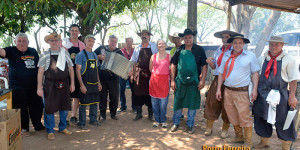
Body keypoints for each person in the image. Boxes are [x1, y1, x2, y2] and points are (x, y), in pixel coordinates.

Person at [252, 36, 300, 150]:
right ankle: (264, 141)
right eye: (271, 44)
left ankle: (286, 146)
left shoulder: (289, 59)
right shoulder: (265, 57)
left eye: (277, 44)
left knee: (282, 119)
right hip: (263, 93)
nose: (273, 47)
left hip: (280, 95)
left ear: (282, 45)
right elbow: (258, 75)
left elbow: (293, 79)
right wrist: (255, 90)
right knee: (261, 117)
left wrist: (292, 96)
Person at [216, 34, 260, 147]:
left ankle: (248, 141)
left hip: (242, 92)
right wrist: (218, 90)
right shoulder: (226, 55)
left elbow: (255, 73)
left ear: (243, 44)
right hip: (228, 91)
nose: (238, 45)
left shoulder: (250, 56)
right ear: (232, 44)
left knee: (244, 116)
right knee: (232, 115)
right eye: (235, 43)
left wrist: (254, 90)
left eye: (240, 43)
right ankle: (239, 137)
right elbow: (221, 73)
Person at [0, 33, 44, 136]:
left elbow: (39, 67)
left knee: (37, 106)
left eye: (24, 41)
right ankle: (24, 128)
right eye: (19, 41)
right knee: (21, 108)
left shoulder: (33, 51)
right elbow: (2, 52)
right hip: (18, 87)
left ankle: (37, 125)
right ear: (15, 42)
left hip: (34, 86)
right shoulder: (11, 51)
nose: (21, 43)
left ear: (28, 42)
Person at [37, 33, 74, 140]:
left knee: (64, 106)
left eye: (56, 40)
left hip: (64, 84)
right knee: (49, 107)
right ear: (49, 42)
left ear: (60, 42)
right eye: (52, 40)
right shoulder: (44, 54)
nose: (54, 42)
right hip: (49, 85)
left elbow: (71, 68)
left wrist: (72, 83)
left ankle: (62, 127)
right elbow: (40, 72)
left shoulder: (65, 53)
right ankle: (50, 130)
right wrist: (39, 88)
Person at [170, 28, 208, 134]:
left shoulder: (199, 49)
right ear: (183, 39)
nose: (188, 40)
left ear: (193, 38)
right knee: (178, 102)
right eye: (186, 38)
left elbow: (204, 65)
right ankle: (176, 122)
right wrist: (172, 80)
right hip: (180, 81)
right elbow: (173, 64)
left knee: (192, 102)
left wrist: (203, 80)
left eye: (190, 37)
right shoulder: (179, 49)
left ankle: (190, 124)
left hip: (194, 82)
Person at [204, 30, 237, 138]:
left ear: (231, 38)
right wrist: (210, 63)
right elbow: (215, 67)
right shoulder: (219, 50)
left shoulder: (235, 50)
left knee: (227, 104)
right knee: (211, 101)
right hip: (217, 78)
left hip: (229, 80)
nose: (224, 39)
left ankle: (225, 129)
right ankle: (209, 127)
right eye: (223, 37)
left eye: (226, 37)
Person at [130, 30, 158, 120]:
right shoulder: (137, 48)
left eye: (146, 34)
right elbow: (133, 61)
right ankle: (139, 113)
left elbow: (158, 59)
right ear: (140, 36)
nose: (144, 36)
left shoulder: (154, 46)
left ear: (149, 36)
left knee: (150, 93)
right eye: (142, 35)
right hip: (139, 74)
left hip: (151, 73)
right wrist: (131, 73)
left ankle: (151, 114)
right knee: (137, 93)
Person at [76, 35, 102, 130]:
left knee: (94, 102)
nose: (91, 43)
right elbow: (78, 71)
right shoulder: (80, 55)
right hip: (85, 83)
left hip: (94, 83)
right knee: (83, 104)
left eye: (92, 41)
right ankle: (82, 122)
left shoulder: (95, 55)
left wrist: (99, 82)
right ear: (85, 41)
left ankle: (93, 120)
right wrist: (81, 85)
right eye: (89, 41)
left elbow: (96, 70)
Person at [95, 35, 123, 121]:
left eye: (115, 41)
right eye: (112, 41)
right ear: (108, 41)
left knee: (114, 96)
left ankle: (113, 113)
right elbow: (92, 55)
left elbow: (122, 64)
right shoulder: (101, 48)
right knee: (102, 96)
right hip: (102, 77)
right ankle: (102, 114)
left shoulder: (119, 52)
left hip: (113, 78)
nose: (113, 43)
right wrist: (98, 57)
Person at [62, 24, 85, 124]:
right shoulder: (64, 43)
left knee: (76, 96)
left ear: (79, 32)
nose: (74, 32)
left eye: (76, 30)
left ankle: (73, 116)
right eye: (72, 30)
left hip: (77, 72)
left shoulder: (82, 45)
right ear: (69, 32)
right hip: (65, 72)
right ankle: (65, 118)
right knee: (66, 96)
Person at [149, 39, 171, 128]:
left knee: (163, 103)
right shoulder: (152, 56)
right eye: (159, 44)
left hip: (165, 81)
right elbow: (151, 69)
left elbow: (171, 69)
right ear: (157, 46)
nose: (161, 45)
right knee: (154, 102)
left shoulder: (169, 56)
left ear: (165, 45)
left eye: (162, 44)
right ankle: (157, 120)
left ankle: (163, 120)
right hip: (154, 81)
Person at [118, 37, 135, 113]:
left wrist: (132, 72)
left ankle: (134, 107)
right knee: (121, 90)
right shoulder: (121, 51)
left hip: (132, 73)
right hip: (123, 73)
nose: (129, 43)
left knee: (134, 90)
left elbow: (136, 62)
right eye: (128, 41)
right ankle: (123, 106)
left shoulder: (135, 51)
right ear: (125, 42)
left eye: (130, 41)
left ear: (132, 42)